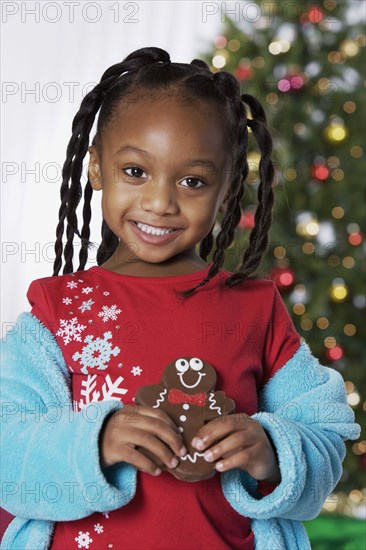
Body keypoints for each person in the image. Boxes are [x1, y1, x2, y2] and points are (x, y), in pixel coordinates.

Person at [1, 46, 360, 550]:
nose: (160, 202)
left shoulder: (253, 309)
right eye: (135, 172)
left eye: (192, 181)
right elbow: (6, 446)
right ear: (97, 168)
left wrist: (274, 450)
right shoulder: (59, 311)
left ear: (227, 187)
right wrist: (94, 443)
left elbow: (324, 434)